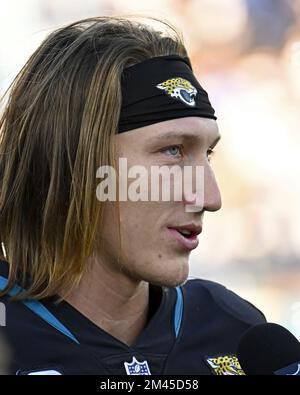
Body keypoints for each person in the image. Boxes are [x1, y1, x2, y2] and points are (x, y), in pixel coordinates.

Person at [0, 16, 266, 375]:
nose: (209, 197)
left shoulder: (234, 330)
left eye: (208, 154)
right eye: (173, 151)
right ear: (74, 165)